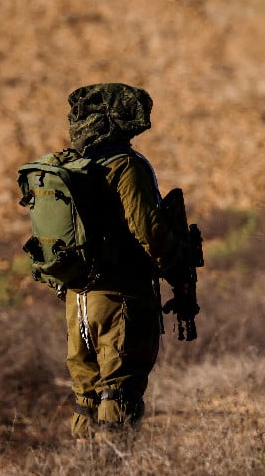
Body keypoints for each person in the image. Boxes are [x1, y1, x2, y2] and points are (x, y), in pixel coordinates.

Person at [61, 83, 185, 441]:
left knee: (86, 395)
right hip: (119, 300)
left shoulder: (75, 166)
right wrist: (176, 266)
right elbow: (150, 232)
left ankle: (84, 467)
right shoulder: (126, 167)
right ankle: (113, 465)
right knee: (118, 394)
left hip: (78, 301)